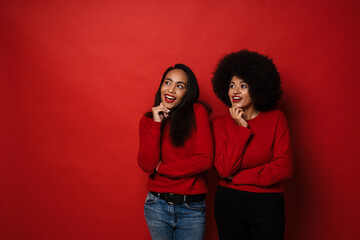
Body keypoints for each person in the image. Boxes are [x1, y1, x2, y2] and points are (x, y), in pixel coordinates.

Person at [211, 50, 293, 240]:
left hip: (268, 203)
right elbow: (224, 169)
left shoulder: (276, 119)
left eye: (243, 85)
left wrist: (237, 177)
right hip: (229, 202)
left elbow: (283, 168)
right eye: (232, 85)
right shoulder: (219, 124)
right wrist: (242, 128)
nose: (236, 91)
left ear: (257, 88)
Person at [137, 63, 213, 240]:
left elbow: (205, 159)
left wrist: (163, 169)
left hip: (191, 208)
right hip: (156, 205)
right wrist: (157, 123)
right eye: (167, 82)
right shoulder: (148, 121)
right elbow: (148, 165)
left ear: (188, 92)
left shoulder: (197, 112)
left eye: (180, 86)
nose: (171, 90)